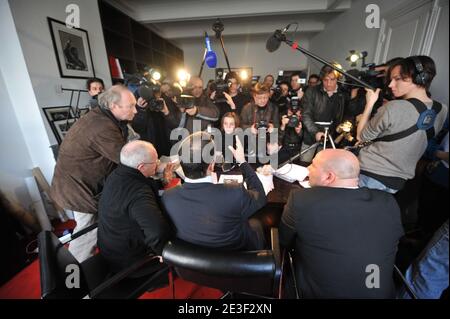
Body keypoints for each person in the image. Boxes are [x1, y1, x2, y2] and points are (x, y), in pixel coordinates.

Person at [279, 149, 404, 298]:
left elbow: (283, 240)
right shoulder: (387, 201)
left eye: (313, 165)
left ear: (329, 176)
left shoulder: (301, 199)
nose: (308, 169)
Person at [50, 85, 137, 262]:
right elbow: (128, 159)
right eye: (131, 106)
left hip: (80, 184)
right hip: (77, 189)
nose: (135, 110)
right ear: (114, 106)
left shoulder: (104, 117)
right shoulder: (102, 127)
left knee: (94, 228)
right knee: (86, 234)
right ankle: (73, 281)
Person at [357, 56, 448, 193]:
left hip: (369, 173)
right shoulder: (442, 110)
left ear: (418, 78)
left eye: (397, 79)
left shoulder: (394, 107)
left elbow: (361, 136)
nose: (390, 85)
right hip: (397, 182)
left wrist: (370, 103)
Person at [162, 132, 267, 251]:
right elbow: (260, 197)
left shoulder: (168, 197)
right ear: (211, 166)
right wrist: (242, 161)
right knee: (256, 224)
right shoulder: (235, 192)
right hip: (235, 256)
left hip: (192, 262)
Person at [97, 140, 174, 276]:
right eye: (155, 162)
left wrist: (163, 182)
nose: (158, 164)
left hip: (110, 249)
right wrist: (164, 252)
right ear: (141, 167)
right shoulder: (138, 192)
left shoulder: (116, 175)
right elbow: (157, 232)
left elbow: (140, 185)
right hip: (131, 263)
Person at [300, 65, 350, 162]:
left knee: (323, 165)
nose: (329, 83)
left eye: (332, 79)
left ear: (338, 79)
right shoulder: (311, 91)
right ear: (321, 79)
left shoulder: (343, 94)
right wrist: (315, 132)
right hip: (311, 135)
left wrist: (339, 131)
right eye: (325, 80)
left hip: (331, 136)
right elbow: (306, 114)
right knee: (304, 162)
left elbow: (345, 115)